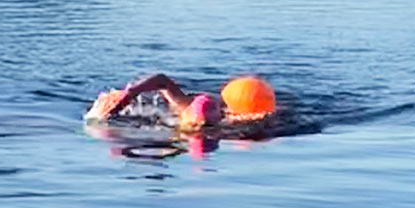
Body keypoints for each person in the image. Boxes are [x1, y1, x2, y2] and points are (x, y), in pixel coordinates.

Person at [85, 72, 277, 133]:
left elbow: (162, 80)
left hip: (242, 97)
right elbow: (161, 79)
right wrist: (130, 93)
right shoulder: (185, 108)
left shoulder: (183, 105)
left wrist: (131, 93)